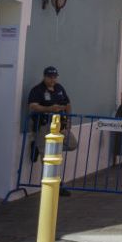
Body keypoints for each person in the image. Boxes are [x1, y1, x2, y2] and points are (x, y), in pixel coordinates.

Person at [28, 66, 77, 196]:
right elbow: (32, 106)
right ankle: (55, 185)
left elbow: (67, 104)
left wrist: (69, 121)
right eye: (50, 77)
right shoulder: (37, 90)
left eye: (55, 77)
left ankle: (42, 148)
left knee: (72, 144)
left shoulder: (59, 88)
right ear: (44, 77)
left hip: (60, 125)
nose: (52, 80)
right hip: (44, 125)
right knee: (47, 157)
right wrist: (49, 109)